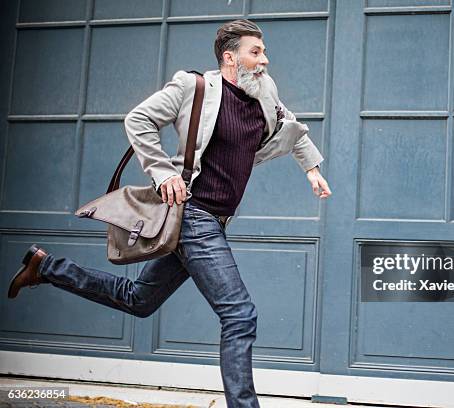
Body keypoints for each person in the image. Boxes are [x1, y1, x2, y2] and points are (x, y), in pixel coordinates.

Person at [7, 19, 331, 408]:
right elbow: (138, 120)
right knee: (240, 315)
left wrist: (311, 169)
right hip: (194, 213)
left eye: (263, 51)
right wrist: (162, 173)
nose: (264, 60)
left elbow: (289, 126)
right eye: (255, 52)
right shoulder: (193, 88)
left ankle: (45, 267)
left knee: (138, 300)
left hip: (214, 221)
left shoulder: (263, 91)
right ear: (231, 58)